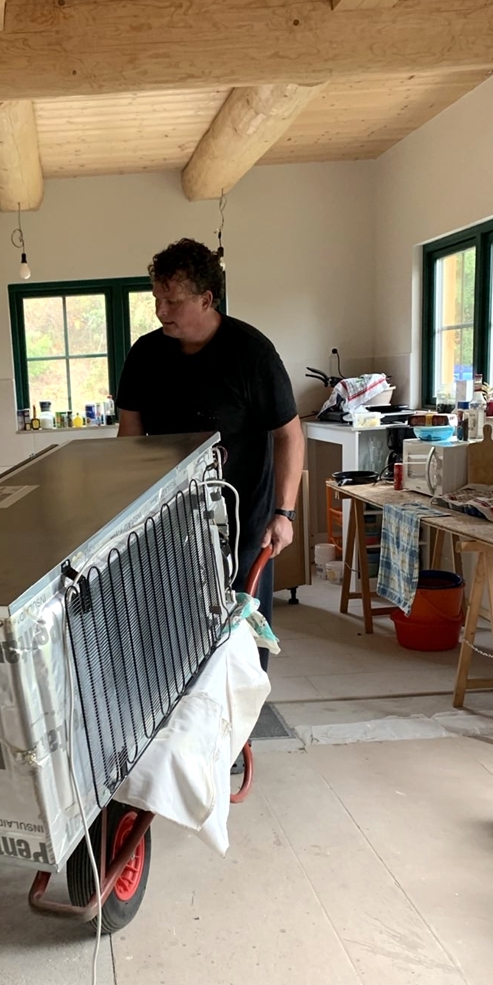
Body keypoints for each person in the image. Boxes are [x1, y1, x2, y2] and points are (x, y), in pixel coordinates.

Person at [116, 238, 304, 668]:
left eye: (172, 301)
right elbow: (130, 435)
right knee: (173, 635)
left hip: (244, 522)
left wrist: (284, 513)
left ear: (206, 299)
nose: (161, 310)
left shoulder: (251, 353)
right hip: (168, 522)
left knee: (240, 639)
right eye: (157, 299)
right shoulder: (145, 355)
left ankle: (244, 712)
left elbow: (289, 435)